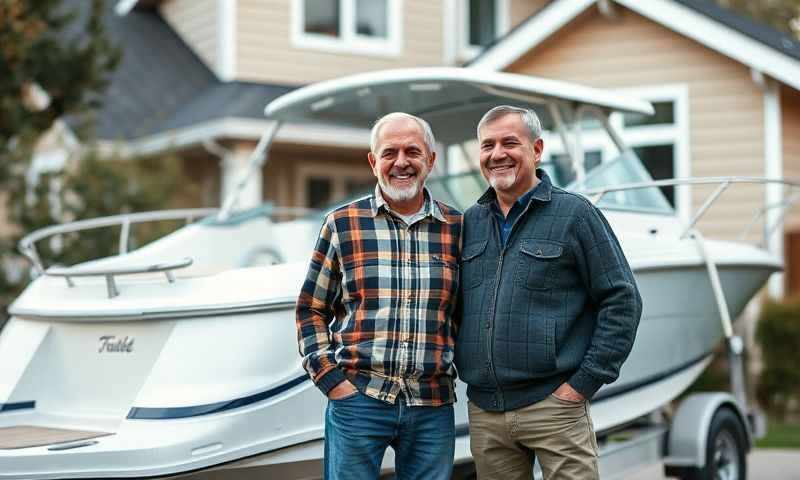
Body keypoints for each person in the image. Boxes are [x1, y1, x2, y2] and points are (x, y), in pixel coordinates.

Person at [455, 105, 643, 480]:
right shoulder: (469, 223)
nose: (497, 154)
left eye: (510, 142)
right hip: (486, 412)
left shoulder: (575, 214)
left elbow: (622, 299)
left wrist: (582, 385)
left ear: (537, 149)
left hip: (555, 406)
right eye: (487, 145)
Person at [296, 112, 462, 480]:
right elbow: (311, 309)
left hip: (432, 403)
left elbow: (467, 314)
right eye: (389, 153)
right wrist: (331, 381)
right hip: (358, 398)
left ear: (431, 160)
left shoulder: (458, 229)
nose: (401, 162)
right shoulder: (342, 224)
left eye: (412, 152)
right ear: (373, 162)